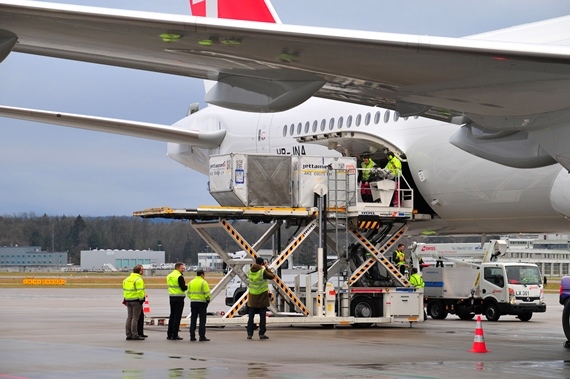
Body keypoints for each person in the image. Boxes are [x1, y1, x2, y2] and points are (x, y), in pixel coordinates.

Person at [247, 257, 275, 340]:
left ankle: (249, 334)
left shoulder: (250, 271)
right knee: (262, 316)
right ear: (262, 263)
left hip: (252, 297)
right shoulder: (262, 271)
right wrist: (266, 267)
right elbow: (272, 276)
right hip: (262, 297)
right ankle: (261, 333)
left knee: (251, 317)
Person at [123, 264, 146, 341]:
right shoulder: (138, 280)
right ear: (139, 271)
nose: (143, 271)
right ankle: (135, 334)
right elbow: (140, 291)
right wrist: (142, 299)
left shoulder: (127, 279)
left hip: (128, 300)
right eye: (142, 270)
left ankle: (128, 334)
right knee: (135, 318)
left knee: (129, 317)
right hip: (136, 300)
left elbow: (124, 289)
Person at [188, 269, 211, 342]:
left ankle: (192, 336)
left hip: (193, 302)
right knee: (202, 320)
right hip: (202, 303)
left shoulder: (191, 282)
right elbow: (207, 293)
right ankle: (202, 336)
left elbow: (188, 293)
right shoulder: (204, 282)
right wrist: (207, 299)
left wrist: (193, 298)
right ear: (202, 274)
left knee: (193, 319)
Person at [166, 262, 187, 340]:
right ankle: (175, 334)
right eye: (182, 268)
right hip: (179, 298)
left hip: (172, 297)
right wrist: (187, 287)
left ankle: (169, 334)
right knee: (177, 317)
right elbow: (183, 288)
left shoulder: (169, 276)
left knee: (172, 315)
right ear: (178, 268)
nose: (183, 270)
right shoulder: (179, 276)